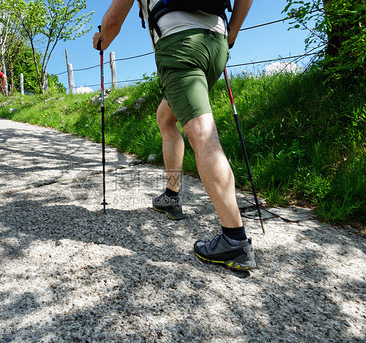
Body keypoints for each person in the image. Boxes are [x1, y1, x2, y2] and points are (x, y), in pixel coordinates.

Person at [93, 0, 256, 270]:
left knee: (202, 133)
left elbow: (111, 23)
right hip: (216, 45)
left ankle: (235, 241)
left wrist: (101, 41)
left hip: (181, 46)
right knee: (166, 117)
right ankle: (171, 195)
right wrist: (232, 33)